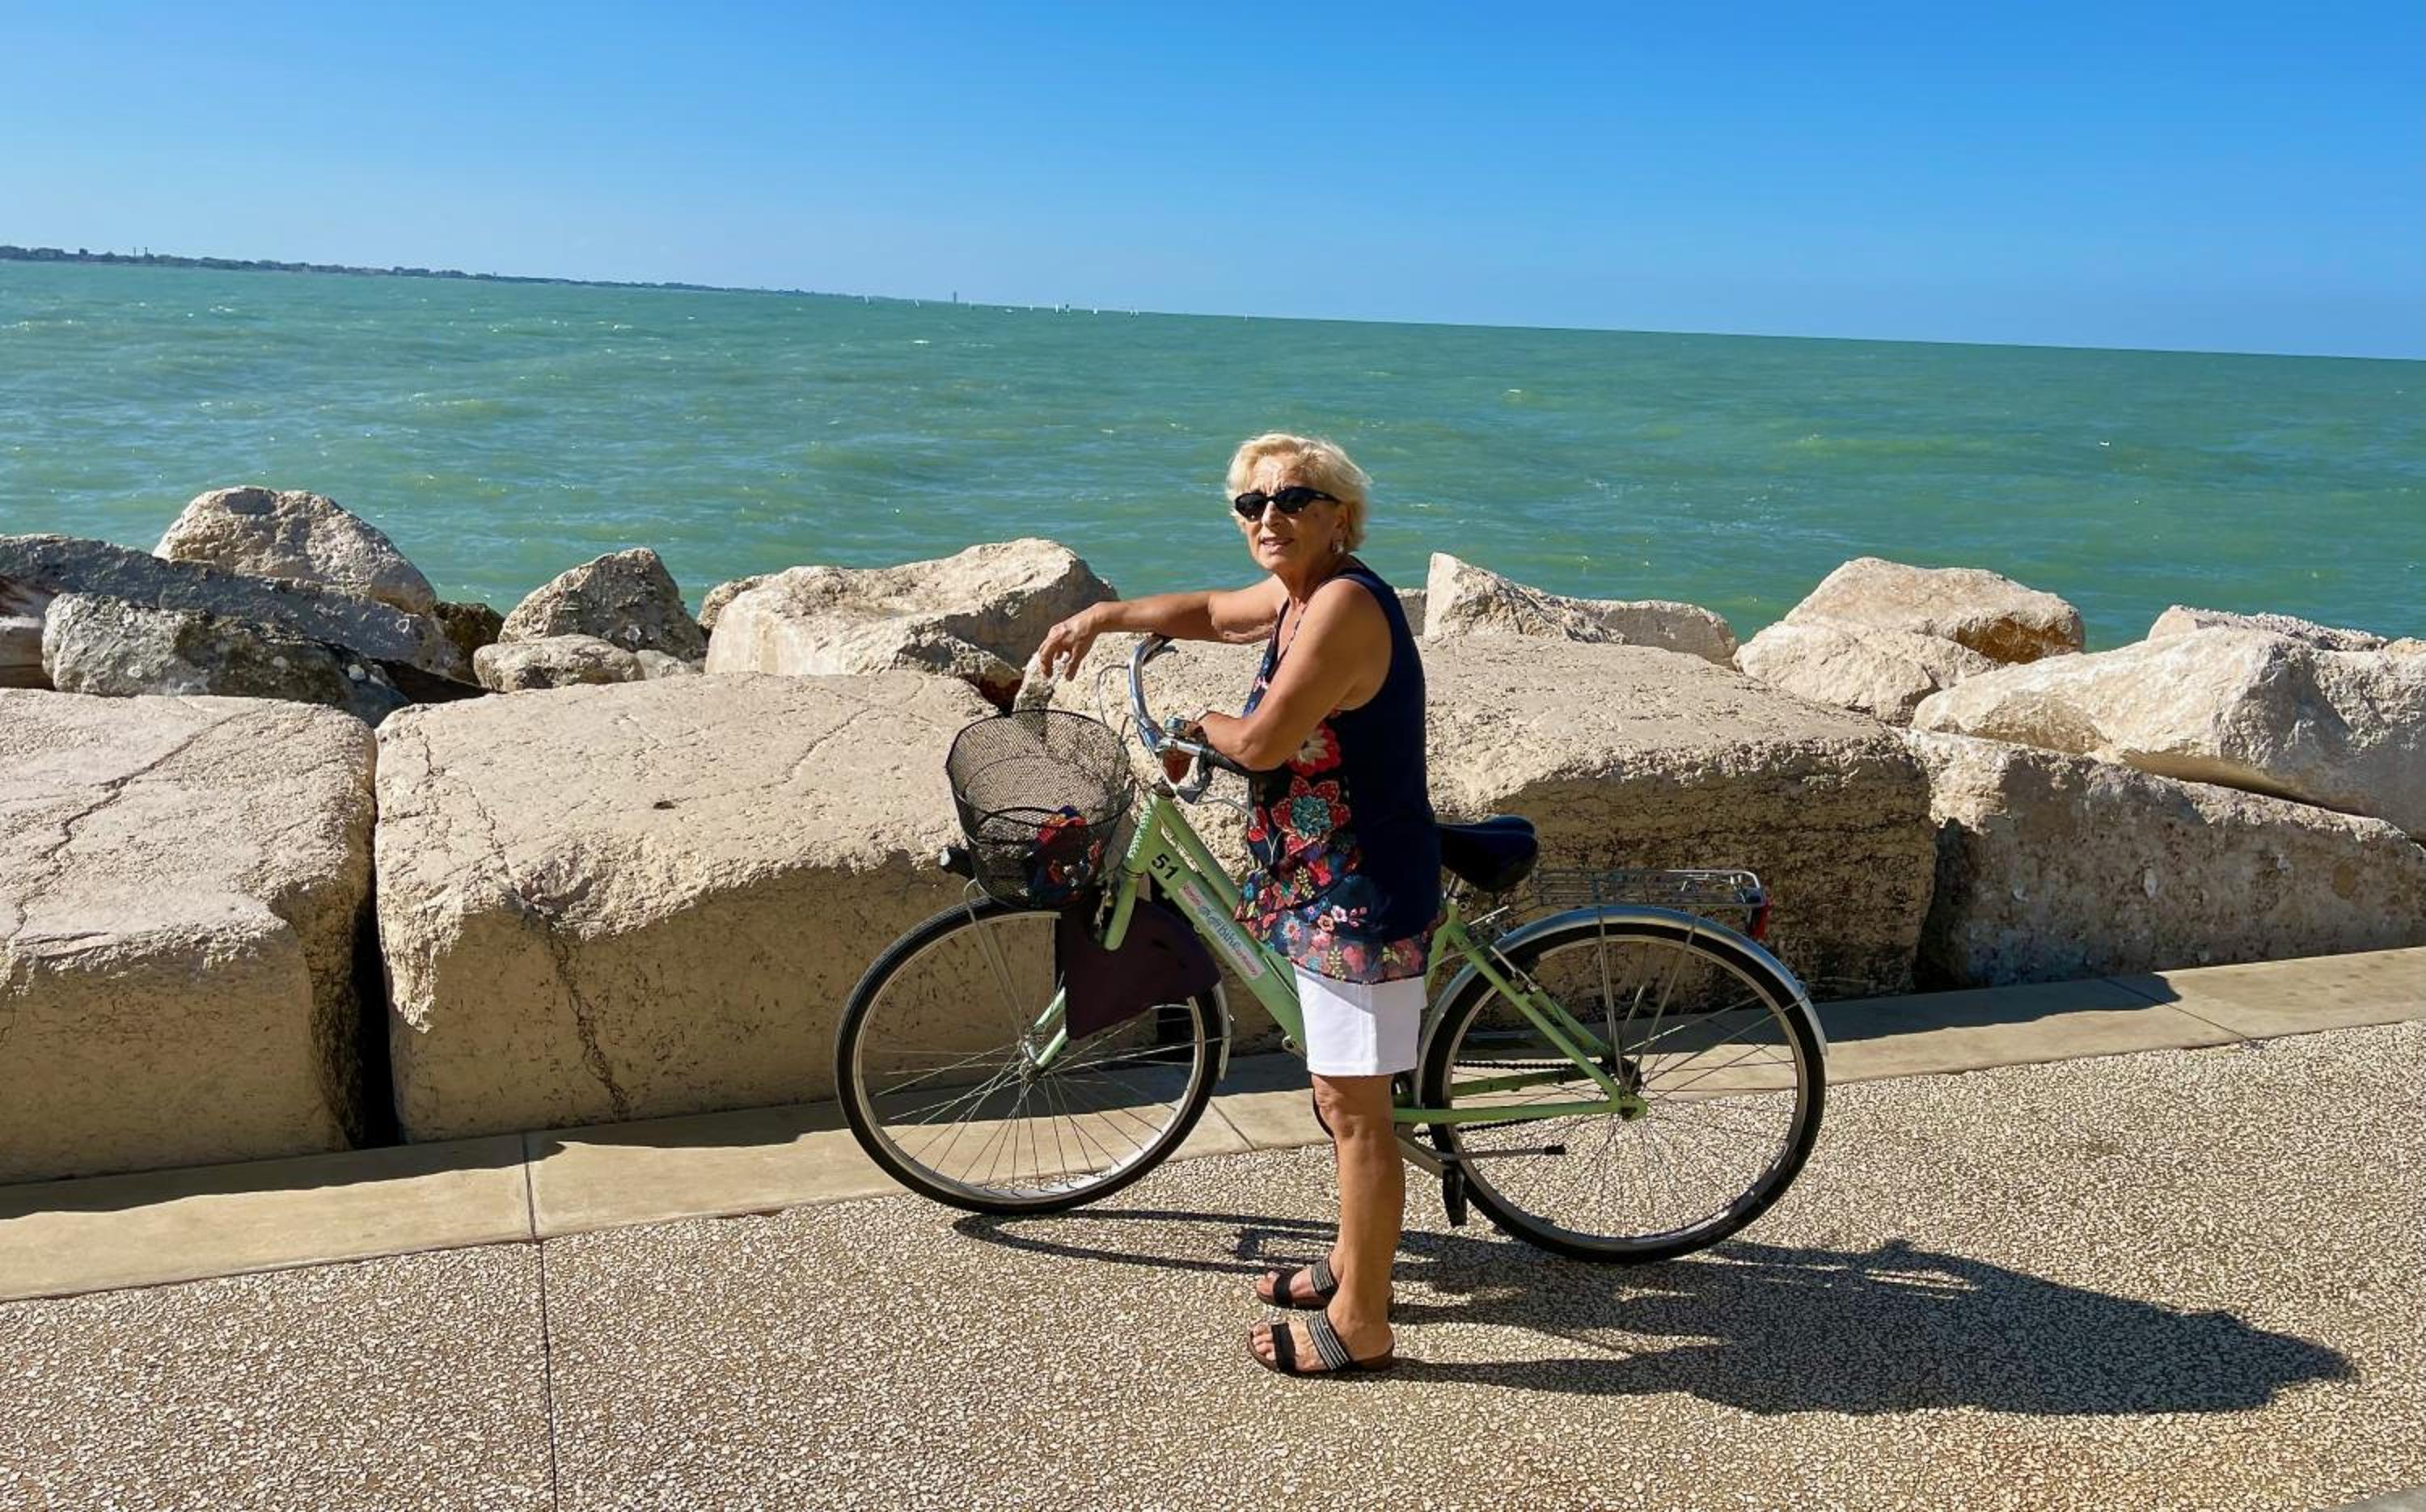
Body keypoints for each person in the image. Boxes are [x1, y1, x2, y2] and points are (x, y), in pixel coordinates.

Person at [1036, 433, 1437, 1377]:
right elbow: (1217, 611)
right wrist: (1104, 615)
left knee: (1358, 1111)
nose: (1269, 517)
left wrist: (1190, 727)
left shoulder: (1342, 604)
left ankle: (1364, 1321)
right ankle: (1351, 1265)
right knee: (1336, 1096)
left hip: (1362, 892)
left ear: (1340, 516)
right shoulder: (1298, 595)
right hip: (1320, 880)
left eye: (1293, 499)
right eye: (1251, 503)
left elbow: (1259, 744)